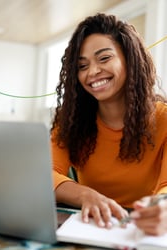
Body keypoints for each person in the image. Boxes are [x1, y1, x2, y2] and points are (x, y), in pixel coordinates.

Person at [50, 13, 167, 235]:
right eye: (82, 66)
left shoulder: (164, 119)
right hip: (89, 226)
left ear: (129, 59)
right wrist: (86, 195)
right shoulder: (71, 122)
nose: (92, 72)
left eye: (104, 58)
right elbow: (46, 174)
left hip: (143, 230)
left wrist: (163, 208)